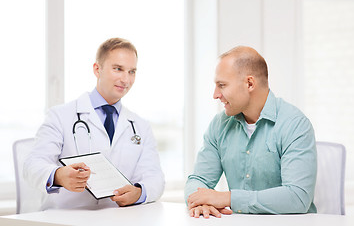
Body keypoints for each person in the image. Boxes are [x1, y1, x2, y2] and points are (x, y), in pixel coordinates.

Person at [24, 37, 165, 210]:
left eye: (132, 71)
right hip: (65, 218)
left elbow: (155, 177)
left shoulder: (140, 126)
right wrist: (58, 176)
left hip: (117, 219)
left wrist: (139, 192)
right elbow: (33, 164)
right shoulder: (60, 116)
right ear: (97, 69)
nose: (125, 79)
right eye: (118, 69)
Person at [185, 46, 317, 218]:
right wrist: (200, 202)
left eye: (222, 85)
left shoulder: (295, 124)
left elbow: (298, 197)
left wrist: (228, 198)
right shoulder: (220, 125)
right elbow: (198, 180)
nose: (215, 95)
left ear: (249, 83)